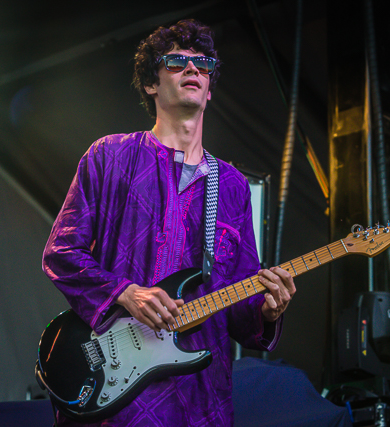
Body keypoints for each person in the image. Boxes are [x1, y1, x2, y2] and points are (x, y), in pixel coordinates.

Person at [42, 19, 296, 426]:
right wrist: (124, 292)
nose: (193, 68)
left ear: (209, 90)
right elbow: (62, 252)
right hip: (118, 396)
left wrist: (267, 311)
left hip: (201, 399)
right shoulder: (110, 156)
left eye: (203, 64)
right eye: (176, 62)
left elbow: (240, 307)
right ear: (151, 84)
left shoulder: (232, 186)